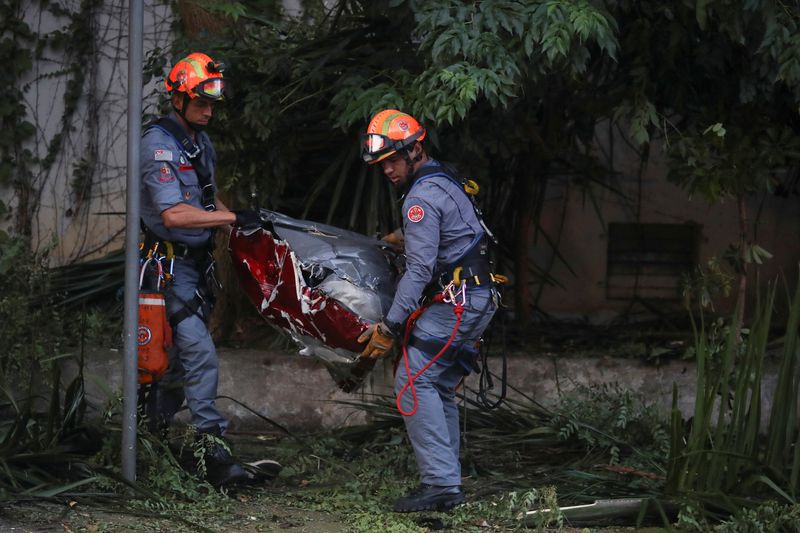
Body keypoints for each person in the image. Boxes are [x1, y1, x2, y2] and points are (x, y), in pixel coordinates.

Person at [357, 109, 498, 512]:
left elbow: (420, 269)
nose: (386, 170)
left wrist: (390, 325)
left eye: (392, 160)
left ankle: (441, 484)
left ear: (415, 148)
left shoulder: (419, 196)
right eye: (381, 164)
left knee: (411, 381)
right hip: (477, 296)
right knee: (434, 385)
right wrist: (395, 239)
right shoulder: (444, 178)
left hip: (458, 303)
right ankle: (446, 480)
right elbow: (447, 231)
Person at [139, 52, 263, 487]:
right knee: (200, 355)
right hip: (166, 268)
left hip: (194, 268)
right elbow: (173, 214)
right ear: (177, 99)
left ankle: (146, 435)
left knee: (175, 365)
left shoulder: (198, 141)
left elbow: (206, 202)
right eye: (201, 103)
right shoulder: (158, 145)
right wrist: (230, 220)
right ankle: (209, 448)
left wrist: (246, 223)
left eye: (213, 103)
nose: (209, 111)